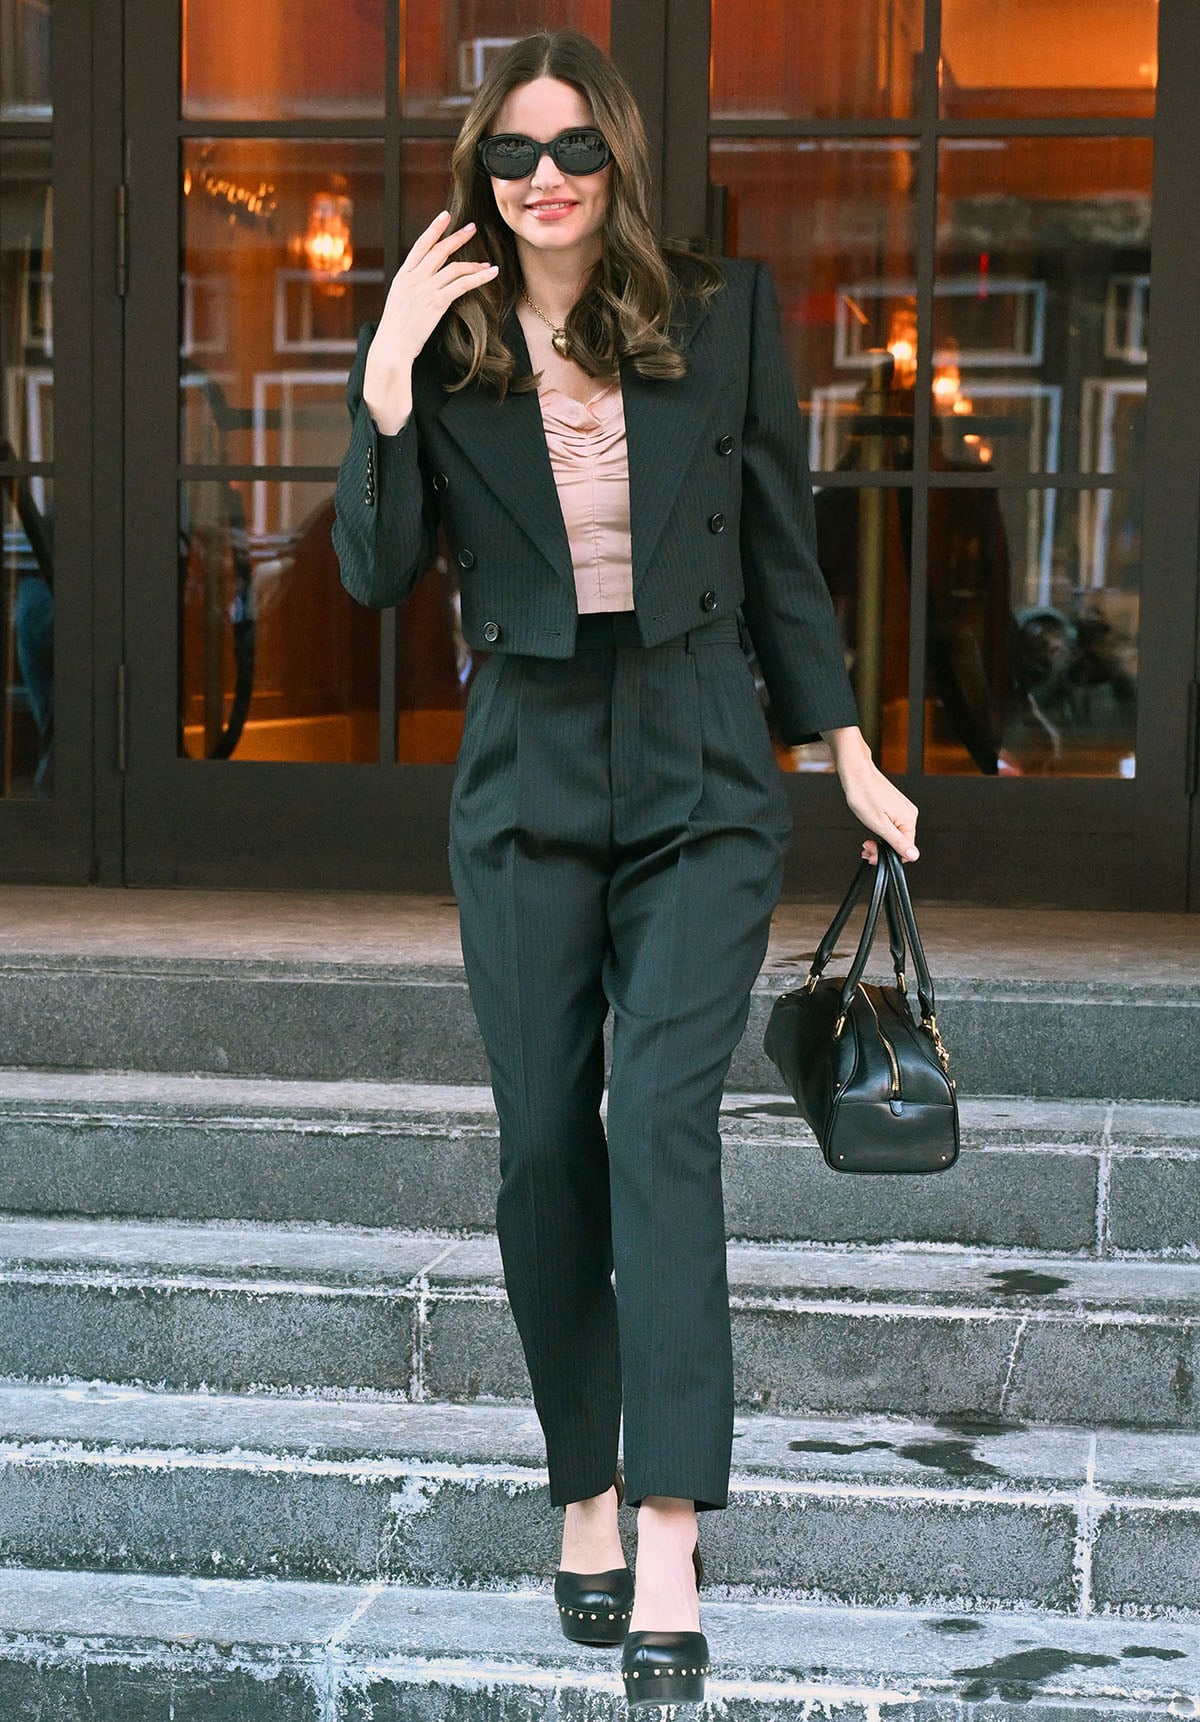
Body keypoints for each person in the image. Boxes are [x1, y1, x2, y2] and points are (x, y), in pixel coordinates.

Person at [331, 27, 919, 1705]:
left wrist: (849, 751)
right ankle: (576, 1481)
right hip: (524, 760)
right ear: (481, 178)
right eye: (513, 156)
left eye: (574, 148)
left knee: (658, 1121)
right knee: (538, 1145)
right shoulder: (442, 352)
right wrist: (380, 371)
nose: (546, 180)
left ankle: (665, 1527)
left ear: (620, 163)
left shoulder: (721, 317)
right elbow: (376, 573)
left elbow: (784, 554)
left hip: (696, 758)